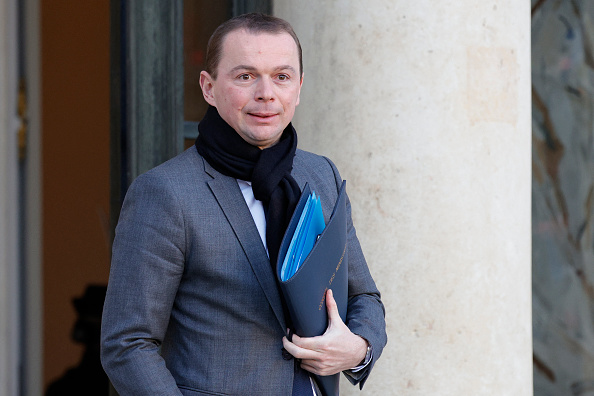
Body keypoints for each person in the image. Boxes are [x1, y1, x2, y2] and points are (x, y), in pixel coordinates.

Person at [100, 13, 387, 396]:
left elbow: (364, 296)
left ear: (298, 88)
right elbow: (127, 344)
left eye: (282, 77)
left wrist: (358, 349)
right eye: (245, 76)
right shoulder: (164, 193)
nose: (266, 93)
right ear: (208, 87)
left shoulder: (322, 175)